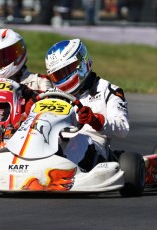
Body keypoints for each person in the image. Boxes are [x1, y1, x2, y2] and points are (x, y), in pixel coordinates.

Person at [44, 39, 130, 171]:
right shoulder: (53, 96)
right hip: (60, 146)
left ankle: (60, 173)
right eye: (58, 75)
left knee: (80, 139)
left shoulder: (108, 90)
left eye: (67, 71)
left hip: (95, 150)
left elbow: (123, 128)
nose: (64, 78)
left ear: (81, 64)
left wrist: (95, 120)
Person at [0, 28, 53, 122]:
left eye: (6, 57)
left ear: (18, 52)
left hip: (23, 130)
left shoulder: (39, 80)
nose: (1, 62)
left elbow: (47, 110)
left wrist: (28, 93)